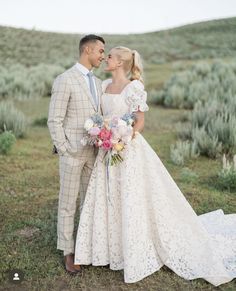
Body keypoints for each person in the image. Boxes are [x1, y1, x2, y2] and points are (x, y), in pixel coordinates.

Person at [74, 46, 236, 285]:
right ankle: (108, 248)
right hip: (106, 149)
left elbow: (139, 122)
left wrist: (122, 137)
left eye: (109, 56)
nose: (105, 58)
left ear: (119, 62)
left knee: (132, 197)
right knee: (108, 196)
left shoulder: (134, 88)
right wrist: (103, 136)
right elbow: (102, 115)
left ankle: (137, 245)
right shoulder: (103, 85)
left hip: (127, 148)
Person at [47, 34, 105, 274]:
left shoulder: (99, 82)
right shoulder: (65, 80)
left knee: (89, 202)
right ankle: (68, 251)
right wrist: (65, 149)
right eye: (100, 51)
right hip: (72, 154)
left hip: (94, 153)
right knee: (68, 203)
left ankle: (86, 247)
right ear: (88, 50)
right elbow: (54, 120)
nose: (103, 55)